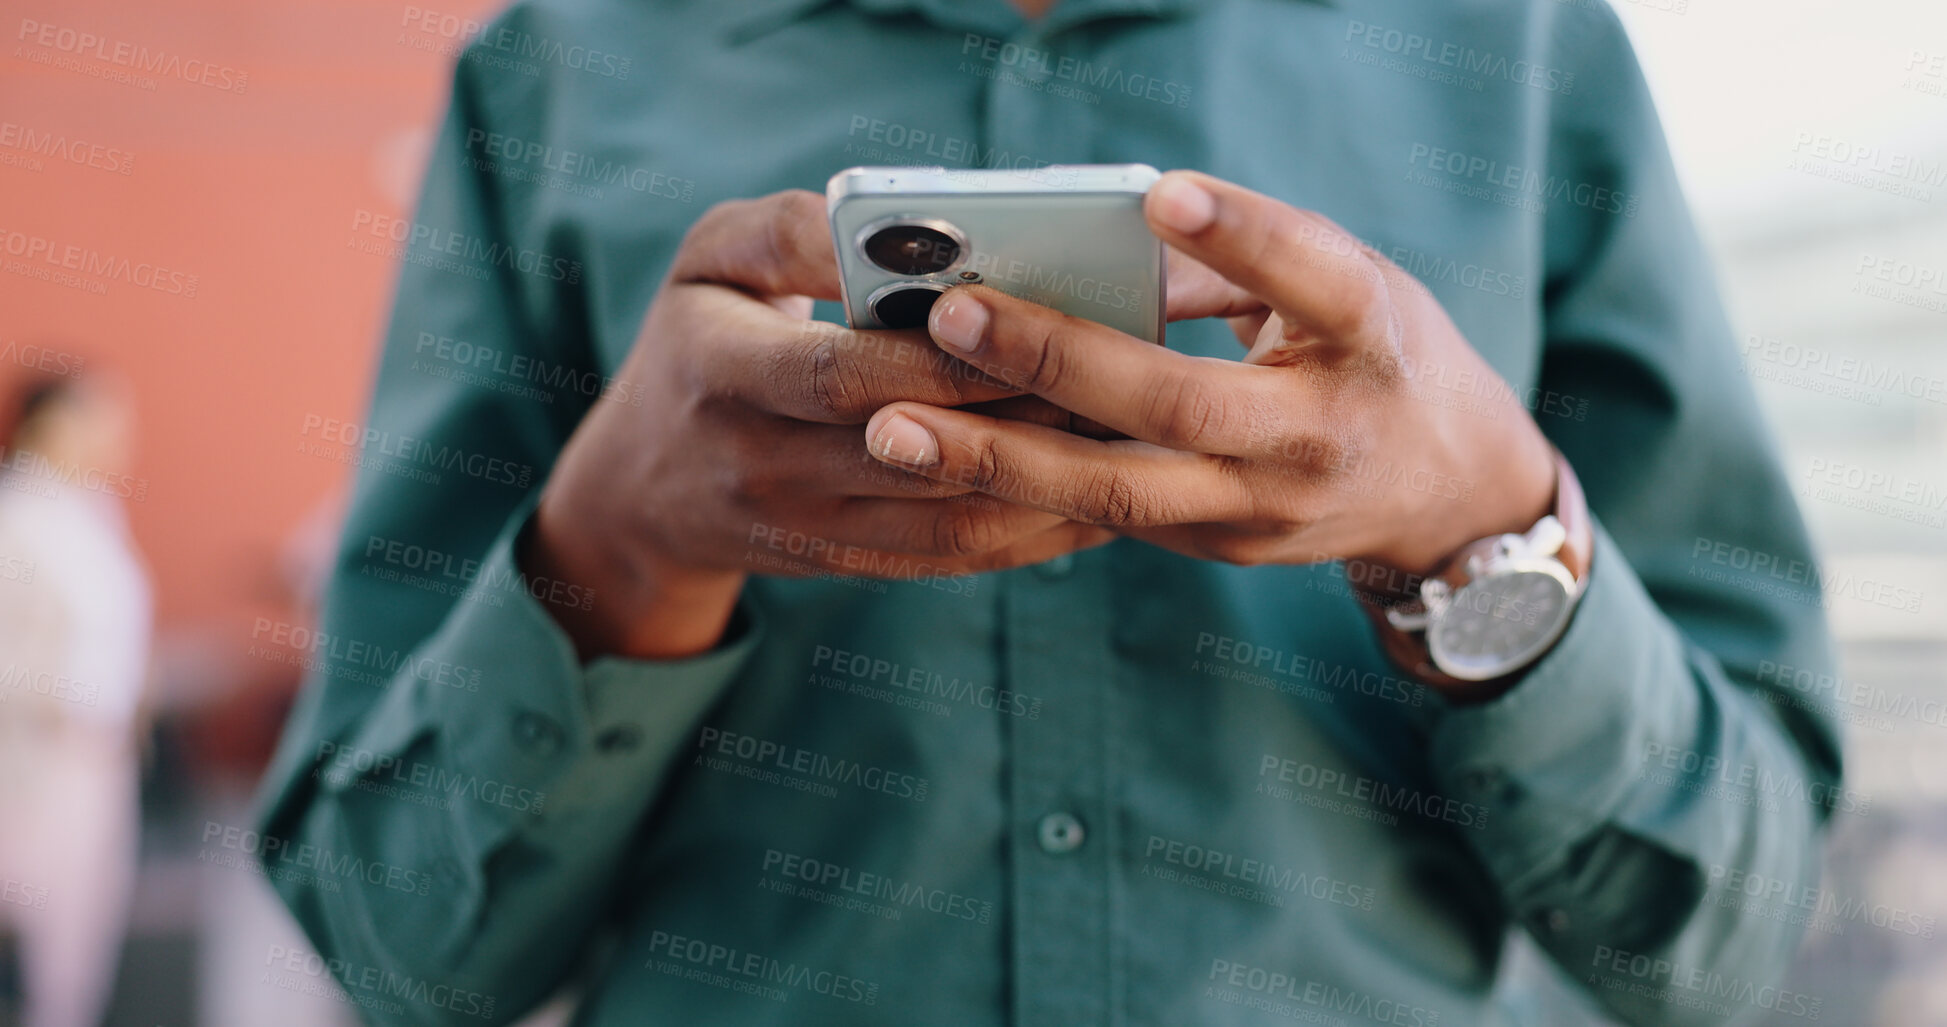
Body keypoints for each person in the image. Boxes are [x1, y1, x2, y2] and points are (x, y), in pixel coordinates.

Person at [258, 0, 1843, 1023]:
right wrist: (620, 542)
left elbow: (1720, 934)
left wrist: (1475, 525)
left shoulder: (1510, 46)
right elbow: (398, 950)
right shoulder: (564, 64)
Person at [0, 371, 151, 1027]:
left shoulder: (96, 513)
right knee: (27, 925)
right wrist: (53, 703)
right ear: (48, 425)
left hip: (102, 756)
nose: (116, 439)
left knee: (78, 944)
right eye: (98, 420)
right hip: (33, 759)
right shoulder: (19, 517)